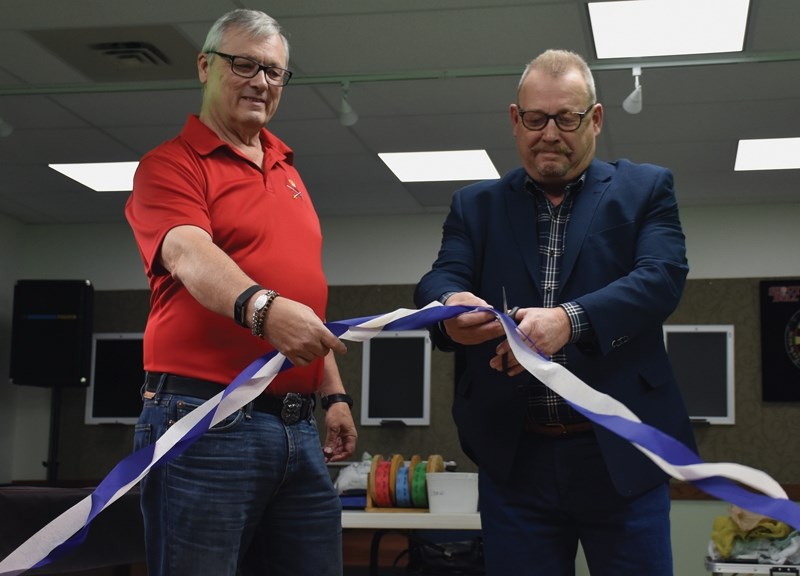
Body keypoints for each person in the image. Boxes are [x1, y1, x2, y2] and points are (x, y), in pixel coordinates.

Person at [414, 49, 695, 575]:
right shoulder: (475, 206)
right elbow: (441, 276)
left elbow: (661, 278)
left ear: (596, 119)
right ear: (515, 120)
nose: (550, 133)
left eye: (567, 118)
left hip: (622, 458)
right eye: (536, 119)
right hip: (516, 462)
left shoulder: (645, 189)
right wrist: (450, 304)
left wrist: (569, 320)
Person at [125, 9, 356, 576]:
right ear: (205, 66)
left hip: (297, 427)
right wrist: (263, 310)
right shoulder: (169, 165)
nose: (261, 82)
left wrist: (333, 394)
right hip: (205, 418)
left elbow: (304, 302)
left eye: (275, 72)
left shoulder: (287, 168)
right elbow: (187, 253)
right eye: (245, 64)